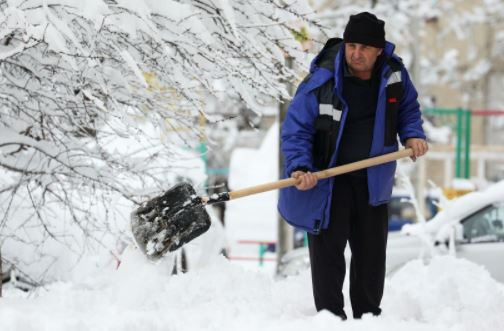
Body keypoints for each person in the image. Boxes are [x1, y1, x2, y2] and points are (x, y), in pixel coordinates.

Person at [277, 12, 428, 320]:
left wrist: (412, 135)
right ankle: (330, 320)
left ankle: (369, 319)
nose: (356, 53)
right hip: (328, 182)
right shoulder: (322, 81)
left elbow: (408, 110)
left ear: (378, 50)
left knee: (371, 257)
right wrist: (300, 167)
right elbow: (296, 129)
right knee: (328, 257)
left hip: (373, 180)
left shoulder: (394, 75)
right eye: (351, 45)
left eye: (364, 47)